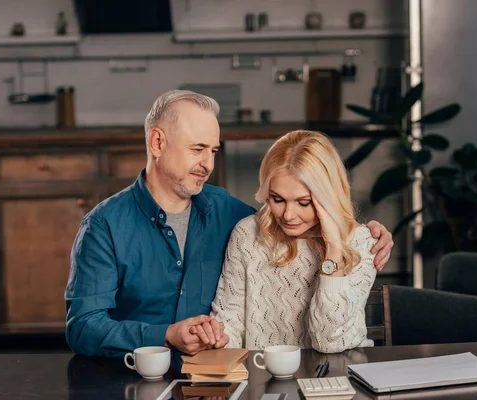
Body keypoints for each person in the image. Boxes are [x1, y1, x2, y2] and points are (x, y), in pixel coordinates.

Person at [65, 90, 394, 358]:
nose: (207, 164)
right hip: (137, 374)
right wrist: (164, 335)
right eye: (197, 149)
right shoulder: (104, 225)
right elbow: (83, 327)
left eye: (213, 151)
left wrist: (360, 232)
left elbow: (289, 219)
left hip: (219, 373)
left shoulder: (230, 213)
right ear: (157, 143)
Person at [211, 130, 379, 353]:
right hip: (263, 376)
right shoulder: (247, 233)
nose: (288, 215)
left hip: (339, 373)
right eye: (277, 199)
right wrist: (216, 340)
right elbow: (229, 322)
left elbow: (329, 343)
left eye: (304, 202)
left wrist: (333, 249)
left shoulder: (359, 242)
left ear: (328, 196)